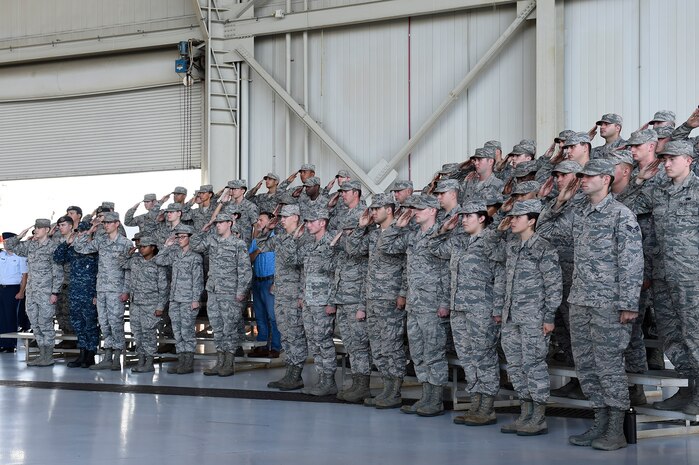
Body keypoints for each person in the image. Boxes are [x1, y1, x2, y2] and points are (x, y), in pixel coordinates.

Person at [564, 159, 643, 451]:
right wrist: (560, 200)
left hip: (609, 303)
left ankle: (615, 429)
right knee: (586, 365)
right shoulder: (580, 212)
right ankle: (599, 420)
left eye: (590, 176)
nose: (583, 180)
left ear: (606, 179)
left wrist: (628, 304)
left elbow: (632, 262)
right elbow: (547, 229)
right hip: (581, 301)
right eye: (582, 176)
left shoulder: (621, 215)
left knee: (609, 365)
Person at [633, 140, 699, 414]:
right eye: (665, 159)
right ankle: (690, 388)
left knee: (695, 335)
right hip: (662, 278)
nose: (667, 163)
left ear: (689, 160)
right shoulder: (658, 191)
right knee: (671, 337)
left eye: (673, 158)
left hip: (691, 279)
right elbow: (626, 207)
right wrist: (639, 179)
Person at [429, 202, 504, 426]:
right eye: (462, 216)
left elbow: (500, 275)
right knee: (468, 357)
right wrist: (443, 230)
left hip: (482, 308)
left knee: (484, 357)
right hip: (459, 308)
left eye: (468, 216)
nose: (463, 220)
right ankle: (475, 402)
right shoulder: (458, 242)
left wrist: (498, 308)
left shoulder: (490, 240)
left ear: (482, 218)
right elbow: (433, 248)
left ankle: (487, 406)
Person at [496, 200, 562, 436]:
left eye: (517, 217)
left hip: (534, 317)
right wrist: (500, 310)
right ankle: (525, 412)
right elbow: (503, 278)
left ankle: (538, 415)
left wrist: (549, 315)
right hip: (511, 316)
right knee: (515, 366)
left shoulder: (543, 247)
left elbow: (553, 284)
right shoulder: (512, 246)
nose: (512, 220)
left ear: (531, 220)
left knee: (533, 365)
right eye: (511, 217)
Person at [380, 195, 450, 417]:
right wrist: (397, 227)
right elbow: (387, 247)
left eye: (419, 208)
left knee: (434, 353)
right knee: (418, 353)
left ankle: (436, 399)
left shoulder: (442, 235)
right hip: (415, 304)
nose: (414, 212)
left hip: (432, 304)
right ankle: (426, 396)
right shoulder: (412, 236)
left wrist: (445, 302)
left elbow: (449, 271)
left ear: (432, 211)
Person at [346, 193, 407, 408]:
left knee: (392, 346)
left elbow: (406, 265)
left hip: (390, 298)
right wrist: (361, 227)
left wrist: (402, 293)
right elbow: (352, 250)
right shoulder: (372, 234)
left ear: (389, 210)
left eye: (376, 209)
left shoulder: (400, 233)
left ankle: (395, 391)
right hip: (372, 297)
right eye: (371, 209)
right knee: (379, 348)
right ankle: (386, 388)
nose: (372, 212)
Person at [190, 213, 251, 377]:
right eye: (216, 223)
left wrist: (241, 292)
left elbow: (245, 270)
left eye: (221, 222)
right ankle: (220, 361)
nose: (218, 225)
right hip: (213, 291)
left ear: (230, 224)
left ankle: (229, 363)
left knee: (229, 328)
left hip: (230, 292)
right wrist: (204, 229)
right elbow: (194, 245)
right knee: (217, 328)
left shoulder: (238, 244)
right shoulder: (212, 240)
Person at [72, 211, 132, 371]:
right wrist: (88, 233)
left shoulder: (126, 244)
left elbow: (128, 270)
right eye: (104, 223)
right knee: (104, 324)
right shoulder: (101, 241)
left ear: (117, 224)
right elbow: (80, 248)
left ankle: (117, 357)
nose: (105, 225)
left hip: (117, 290)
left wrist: (126, 290)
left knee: (116, 323)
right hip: (102, 289)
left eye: (109, 222)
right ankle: (107, 356)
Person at [290, 207, 338, 396]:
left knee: (324, 341)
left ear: (322, 222)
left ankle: (329, 381)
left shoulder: (331, 243)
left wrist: (332, 302)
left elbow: (336, 275)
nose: (308, 225)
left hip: (323, 301)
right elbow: (301, 269)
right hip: (309, 300)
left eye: (311, 221)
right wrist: (302, 295)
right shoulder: (309, 245)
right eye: (307, 221)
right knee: (314, 341)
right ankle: (321, 379)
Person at [260, 205, 309, 391]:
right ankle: (290, 372)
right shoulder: (281, 237)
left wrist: (302, 295)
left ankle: (296, 375)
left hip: (294, 293)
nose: (282, 220)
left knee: (295, 334)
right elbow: (262, 245)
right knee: (286, 334)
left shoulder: (303, 237)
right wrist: (266, 229)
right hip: (280, 293)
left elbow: (296, 262)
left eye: (285, 217)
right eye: (281, 217)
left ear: (295, 217)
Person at [4, 219, 64, 366]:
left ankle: (48, 356)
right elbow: (10, 246)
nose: (36, 230)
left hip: (46, 292)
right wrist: (20, 235)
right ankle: (42, 355)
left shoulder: (53, 247)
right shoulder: (31, 245)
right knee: (35, 324)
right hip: (32, 292)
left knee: (45, 324)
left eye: (39, 228)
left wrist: (55, 292)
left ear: (47, 230)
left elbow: (58, 272)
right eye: (35, 227)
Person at [330, 214, 371, 403]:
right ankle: (356, 382)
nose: (347, 234)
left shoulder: (362, 255)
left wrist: (362, 307)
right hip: (343, 305)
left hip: (356, 306)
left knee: (360, 346)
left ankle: (363, 386)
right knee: (351, 346)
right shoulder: (343, 254)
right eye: (344, 231)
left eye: (350, 231)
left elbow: (366, 282)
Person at [156, 226, 204, 374]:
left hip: (188, 299)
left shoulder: (195, 257)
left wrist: (196, 299)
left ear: (190, 237)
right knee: (177, 332)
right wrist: (166, 246)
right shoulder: (175, 254)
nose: (179, 239)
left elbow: (198, 280)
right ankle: (181, 361)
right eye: (178, 237)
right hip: (175, 299)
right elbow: (159, 260)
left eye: (182, 236)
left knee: (187, 331)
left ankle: (188, 363)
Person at [53, 221, 100, 368]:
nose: (81, 235)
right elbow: (58, 258)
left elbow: (101, 273)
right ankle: (82, 353)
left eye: (84, 232)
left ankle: (90, 355)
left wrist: (96, 294)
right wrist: (67, 243)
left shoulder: (95, 250)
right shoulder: (73, 249)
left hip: (89, 293)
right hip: (75, 293)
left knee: (90, 325)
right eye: (79, 232)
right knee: (78, 324)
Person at [248, 212, 281, 358]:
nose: (258, 222)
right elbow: (249, 258)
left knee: (273, 316)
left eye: (261, 220)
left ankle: (275, 346)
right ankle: (262, 345)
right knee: (260, 316)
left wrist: (277, 282)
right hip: (257, 281)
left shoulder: (276, 239)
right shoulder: (256, 240)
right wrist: (260, 248)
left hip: (270, 281)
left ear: (270, 222)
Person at [0, 233, 28, 352]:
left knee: (10, 316)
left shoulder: (20, 256)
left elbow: (24, 275)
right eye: (4, 241)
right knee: (1, 316)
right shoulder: (1, 255)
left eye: (8, 241)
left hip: (13, 289)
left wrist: (21, 291)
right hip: (1, 287)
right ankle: (2, 342)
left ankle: (11, 344)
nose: (6, 244)